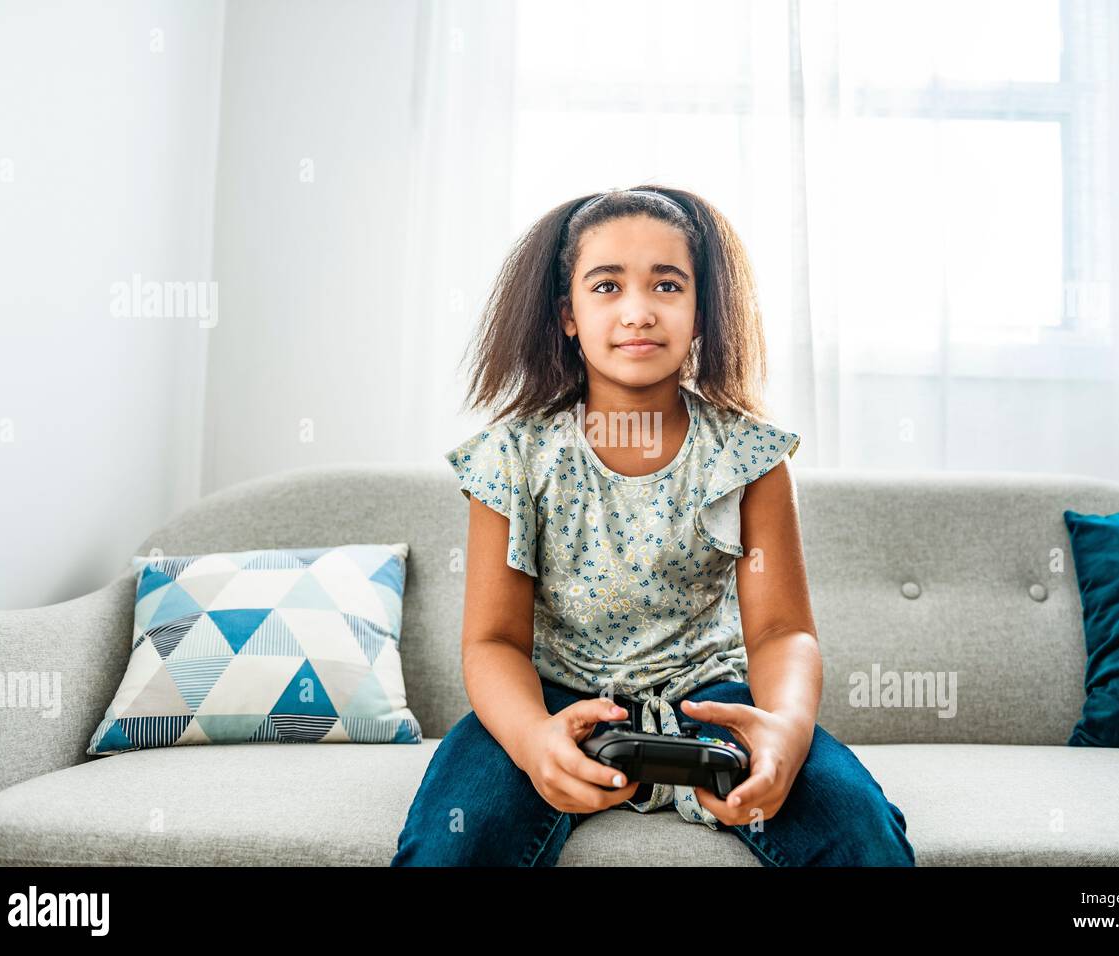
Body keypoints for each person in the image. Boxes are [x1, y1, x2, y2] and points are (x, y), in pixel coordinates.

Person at [391, 186, 915, 866]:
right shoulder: (512, 458)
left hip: (713, 701)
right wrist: (531, 740)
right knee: (449, 843)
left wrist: (785, 728)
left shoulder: (749, 457)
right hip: (551, 699)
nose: (638, 312)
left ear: (700, 313)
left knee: (859, 828)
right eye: (606, 286)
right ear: (568, 316)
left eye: (667, 285)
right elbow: (492, 642)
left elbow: (783, 631)